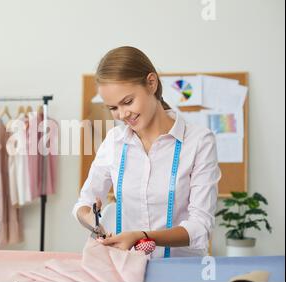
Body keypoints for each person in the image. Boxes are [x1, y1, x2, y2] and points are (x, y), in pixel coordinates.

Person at [72, 46, 221, 258]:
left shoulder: (199, 142)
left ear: (151, 83)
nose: (122, 114)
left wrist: (142, 236)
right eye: (113, 108)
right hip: (127, 269)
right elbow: (83, 204)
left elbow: (201, 226)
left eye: (127, 101)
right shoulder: (114, 142)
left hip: (182, 272)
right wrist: (92, 221)